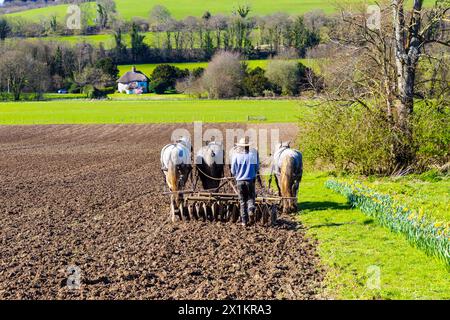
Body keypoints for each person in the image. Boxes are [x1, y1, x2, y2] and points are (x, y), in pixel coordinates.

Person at [231, 137, 259, 226]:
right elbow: (257, 168)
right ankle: (251, 209)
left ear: (240, 146)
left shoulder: (236, 156)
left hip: (239, 181)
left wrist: (237, 174)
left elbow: (233, 170)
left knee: (242, 201)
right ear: (248, 146)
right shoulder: (252, 156)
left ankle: (244, 221)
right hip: (250, 180)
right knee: (251, 197)